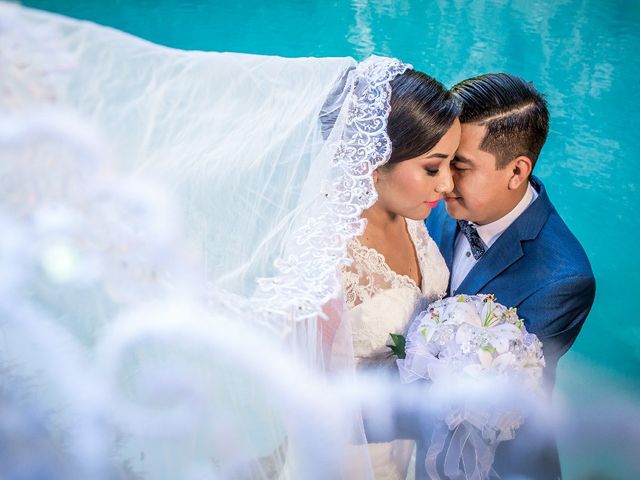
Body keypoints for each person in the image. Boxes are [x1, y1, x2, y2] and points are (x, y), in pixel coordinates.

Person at [424, 73, 596, 479]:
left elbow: (488, 403)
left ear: (517, 172)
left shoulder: (563, 279)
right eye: (441, 160)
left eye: (461, 167)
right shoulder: (429, 195)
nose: (444, 180)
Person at [340, 69, 460, 479]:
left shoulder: (415, 217)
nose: (447, 184)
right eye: (432, 168)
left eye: (451, 164)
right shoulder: (331, 258)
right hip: (348, 453)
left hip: (405, 444)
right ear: (374, 164)